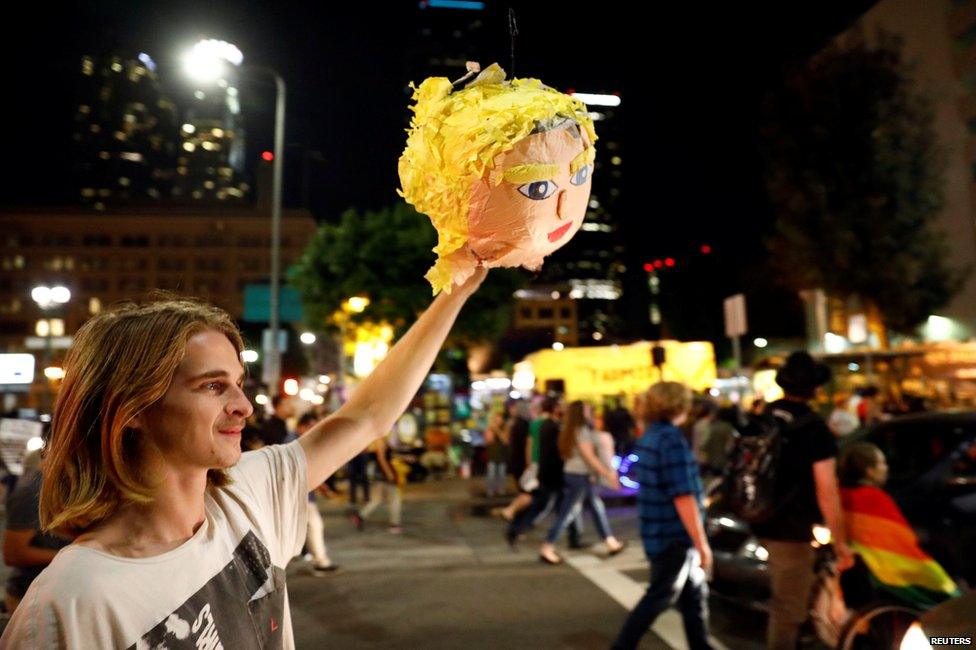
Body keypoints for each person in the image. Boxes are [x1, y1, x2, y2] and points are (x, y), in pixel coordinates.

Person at [3, 269, 485, 648]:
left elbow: (367, 417)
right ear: (132, 410)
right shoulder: (70, 602)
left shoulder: (245, 495)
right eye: (212, 386)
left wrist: (454, 293)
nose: (243, 405)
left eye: (239, 383)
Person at [750, 351, 854, 650]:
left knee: (789, 595)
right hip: (790, 528)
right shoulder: (814, 429)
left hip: (760, 518)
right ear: (815, 389)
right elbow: (827, 490)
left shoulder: (764, 416)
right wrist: (841, 542)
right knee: (788, 609)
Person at [612, 382, 712, 650]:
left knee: (693, 595)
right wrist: (702, 544)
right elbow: (683, 495)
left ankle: (701, 645)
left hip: (658, 529)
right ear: (680, 406)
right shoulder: (671, 440)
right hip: (673, 534)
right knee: (660, 595)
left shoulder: (650, 436)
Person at [837, 442, 960, 610]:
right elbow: (901, 539)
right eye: (882, 463)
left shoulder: (841, 494)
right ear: (869, 471)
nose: (886, 467)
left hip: (858, 566)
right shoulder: (874, 498)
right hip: (881, 569)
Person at [538, 401, 624, 565]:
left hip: (574, 473)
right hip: (580, 476)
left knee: (595, 507)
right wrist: (607, 473)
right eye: (586, 409)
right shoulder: (581, 431)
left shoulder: (568, 429)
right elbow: (589, 456)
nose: (589, 411)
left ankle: (610, 541)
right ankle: (547, 546)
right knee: (568, 512)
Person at [2, 450, 71, 615]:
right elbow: (13, 553)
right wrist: (71, 555)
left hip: (49, 593)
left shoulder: (55, 485)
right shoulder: (31, 491)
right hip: (29, 597)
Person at [293, 413, 338, 576]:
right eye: (310, 427)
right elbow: (304, 470)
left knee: (306, 527)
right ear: (301, 426)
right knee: (314, 525)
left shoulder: (297, 441)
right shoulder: (293, 442)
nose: (313, 430)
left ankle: (314, 557)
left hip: (300, 494)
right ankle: (321, 562)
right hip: (299, 495)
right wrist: (323, 488)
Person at [351, 431, 403, 534]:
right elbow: (381, 458)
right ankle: (394, 524)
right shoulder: (380, 440)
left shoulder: (381, 439)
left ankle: (359, 517)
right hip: (382, 474)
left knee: (376, 500)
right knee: (395, 499)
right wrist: (389, 474)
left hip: (380, 474)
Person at [483, 411, 509, 498]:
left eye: (500, 419)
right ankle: (490, 491)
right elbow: (489, 440)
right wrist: (491, 430)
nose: (498, 421)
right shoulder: (489, 428)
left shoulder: (505, 428)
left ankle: (501, 491)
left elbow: (505, 440)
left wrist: (497, 430)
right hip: (492, 456)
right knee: (491, 474)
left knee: (501, 474)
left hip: (502, 456)